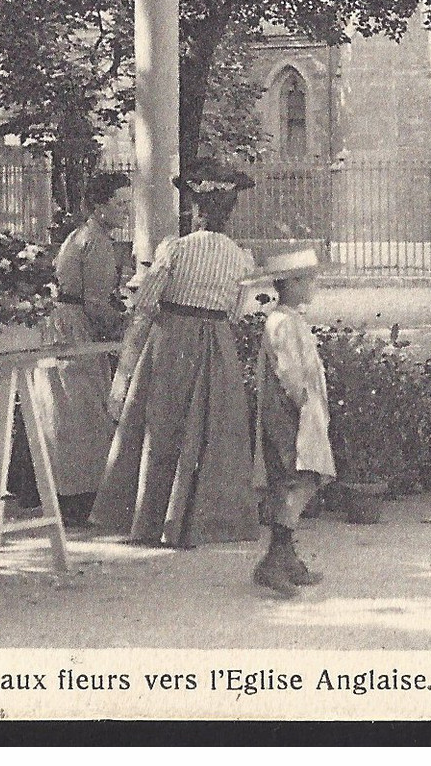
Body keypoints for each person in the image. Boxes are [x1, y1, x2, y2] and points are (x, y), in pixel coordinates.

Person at [93, 159, 262, 548]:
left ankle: (151, 518)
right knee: (210, 429)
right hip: (216, 344)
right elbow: (237, 312)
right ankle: (204, 520)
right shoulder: (240, 257)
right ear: (228, 212)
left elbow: (146, 304)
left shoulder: (175, 249)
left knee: (161, 426)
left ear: (196, 210)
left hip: (171, 340)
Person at [31, 172, 132, 528]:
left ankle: (65, 495)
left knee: (65, 413)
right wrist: (126, 328)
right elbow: (96, 303)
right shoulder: (98, 243)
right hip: (76, 330)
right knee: (84, 413)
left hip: (61, 327)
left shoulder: (80, 236)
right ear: (100, 205)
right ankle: (80, 500)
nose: (126, 211)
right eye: (120, 204)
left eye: (128, 204)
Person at [250, 248, 335, 596]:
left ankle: (285, 556)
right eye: (308, 279)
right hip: (288, 412)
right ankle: (273, 560)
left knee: (303, 479)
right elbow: (289, 372)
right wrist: (306, 408)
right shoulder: (282, 323)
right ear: (292, 284)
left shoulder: (291, 319)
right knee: (295, 479)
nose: (313, 285)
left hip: (300, 409)